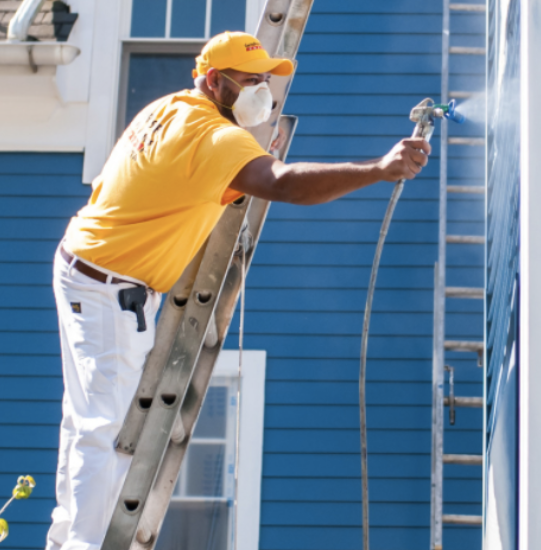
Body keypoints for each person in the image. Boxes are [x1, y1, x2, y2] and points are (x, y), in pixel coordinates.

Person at [46, 31, 430, 550]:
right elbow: (286, 183)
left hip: (85, 263)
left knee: (85, 418)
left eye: (264, 81)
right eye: (250, 81)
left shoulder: (171, 109)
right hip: (111, 286)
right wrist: (378, 169)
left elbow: (189, 180)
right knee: (109, 427)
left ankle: (68, 536)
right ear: (213, 82)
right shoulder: (213, 137)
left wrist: (240, 161)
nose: (262, 92)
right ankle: (86, 545)